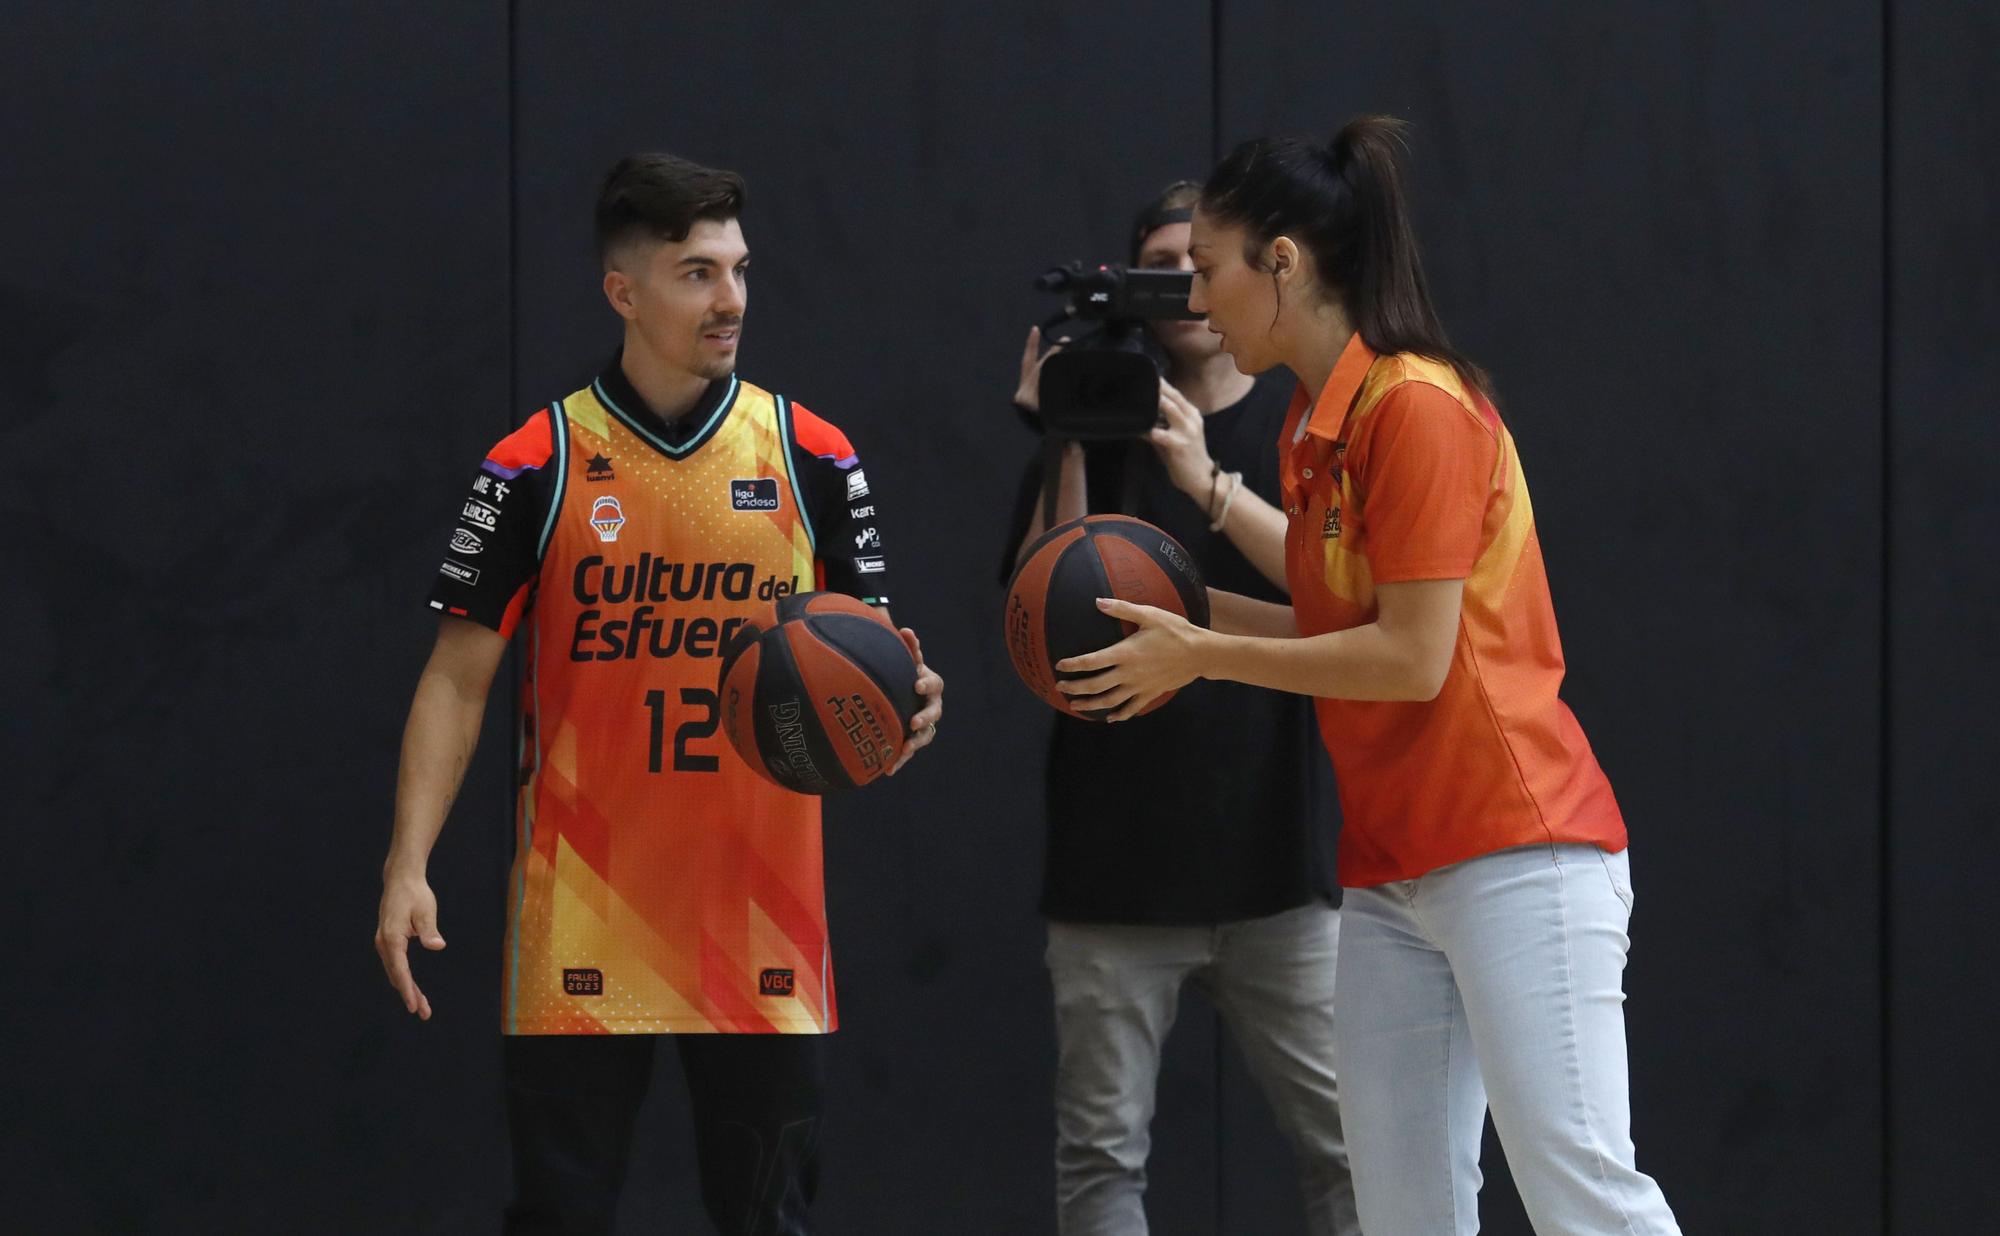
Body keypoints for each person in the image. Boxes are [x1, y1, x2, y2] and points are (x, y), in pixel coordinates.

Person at [1054, 119, 1682, 1235]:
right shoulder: (1310, 424)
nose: (1193, 298)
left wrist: (1199, 654)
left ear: (1280, 263)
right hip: (1391, 875)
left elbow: (1409, 656)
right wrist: (1181, 607)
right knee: (1401, 1213)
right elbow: (1327, 620)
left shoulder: (1417, 407)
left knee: (1580, 1193)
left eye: (1206, 268)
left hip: (1515, 850)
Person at [373, 152, 943, 1236]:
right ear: (621, 291)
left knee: (769, 1224)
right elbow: (455, 679)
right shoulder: (534, 462)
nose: (729, 298)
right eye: (695, 273)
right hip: (582, 916)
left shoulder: (812, 454)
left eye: (737, 269)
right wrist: (407, 866)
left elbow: (875, 662)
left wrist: (910, 708)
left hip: (761, 919)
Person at [1004, 182, 1357, 1236]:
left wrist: (1205, 483)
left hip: (1276, 866)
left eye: (1199, 261)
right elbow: (1036, 615)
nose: (1185, 286)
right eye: (1161, 265)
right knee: (1101, 1158)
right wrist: (1062, 435)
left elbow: (1335, 606)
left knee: (1352, 1145)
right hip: (1112, 869)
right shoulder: (1099, 418)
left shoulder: (1304, 419)